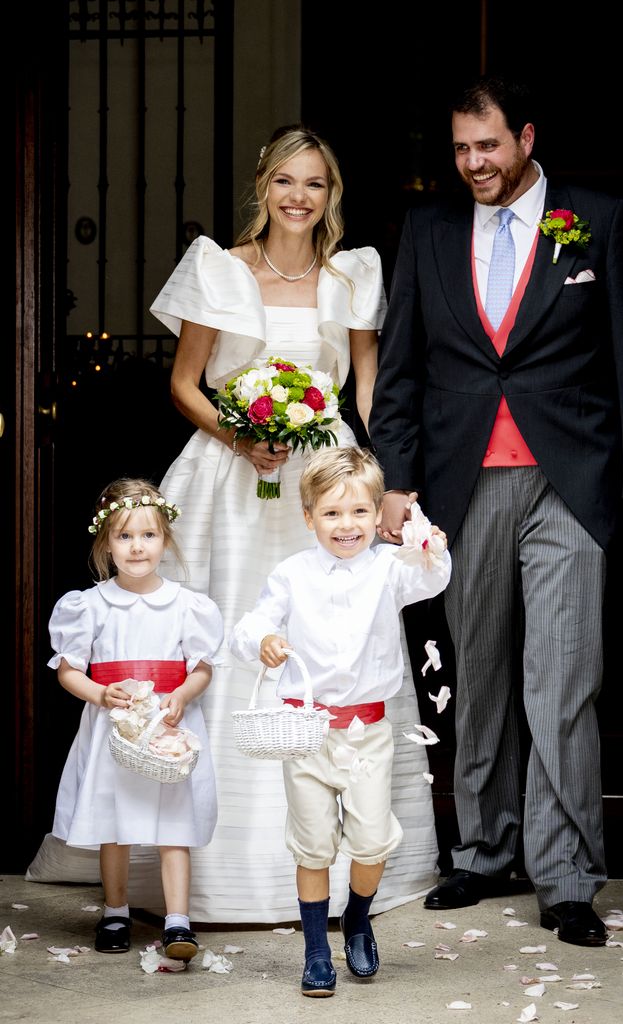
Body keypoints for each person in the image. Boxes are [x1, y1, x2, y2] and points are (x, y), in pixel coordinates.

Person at [25, 124, 439, 920]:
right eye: (285, 181)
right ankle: (194, 870)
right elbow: (184, 384)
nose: (298, 197)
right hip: (230, 473)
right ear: (263, 186)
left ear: (331, 195)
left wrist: (383, 479)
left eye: (314, 184)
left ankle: (339, 854)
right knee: (220, 643)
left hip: (322, 477)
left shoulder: (350, 274)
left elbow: (367, 387)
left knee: (335, 640)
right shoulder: (219, 267)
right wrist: (238, 435)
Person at [369, 76, 623, 947]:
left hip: (569, 483)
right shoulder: (425, 231)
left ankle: (567, 874)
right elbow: (402, 369)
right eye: (461, 150)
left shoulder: (594, 219)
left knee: (564, 681)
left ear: (525, 137)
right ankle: (486, 850)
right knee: (484, 675)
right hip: (463, 486)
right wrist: (396, 478)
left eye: (488, 146)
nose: (474, 164)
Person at [231, 447, 452, 996]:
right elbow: (251, 623)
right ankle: (314, 948)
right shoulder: (291, 573)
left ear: (378, 515)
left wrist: (429, 548)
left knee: (371, 842)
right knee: (312, 845)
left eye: (358, 512)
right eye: (331, 513)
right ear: (308, 517)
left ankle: (357, 916)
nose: (346, 525)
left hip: (367, 736)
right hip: (305, 733)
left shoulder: (388, 569)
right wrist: (264, 639)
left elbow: (432, 579)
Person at [44, 478, 223, 958]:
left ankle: (178, 921)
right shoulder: (90, 605)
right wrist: (101, 694)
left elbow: (202, 666)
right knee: (113, 819)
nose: (137, 546)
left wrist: (184, 692)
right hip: (114, 725)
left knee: (174, 823)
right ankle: (116, 910)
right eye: (124, 536)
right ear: (106, 543)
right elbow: (68, 671)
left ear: (166, 539)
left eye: (148, 535)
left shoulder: (188, 605)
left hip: (167, 726)